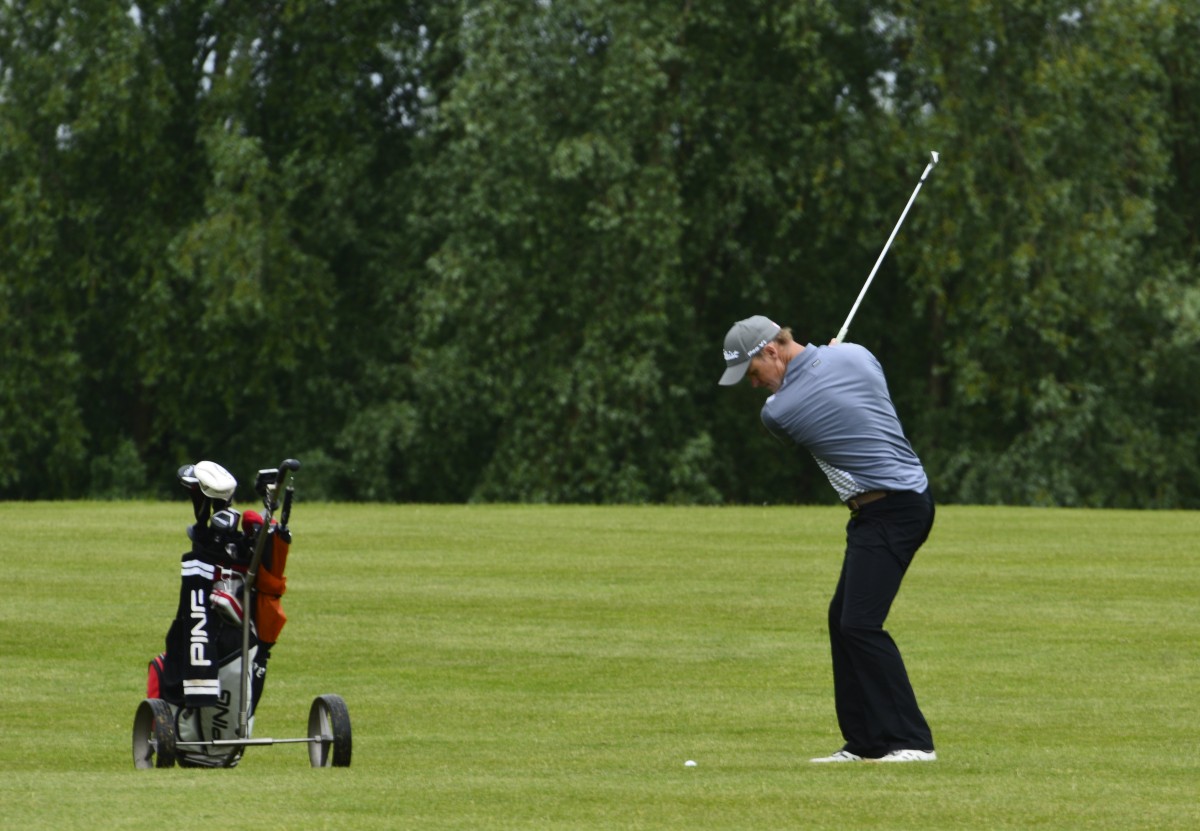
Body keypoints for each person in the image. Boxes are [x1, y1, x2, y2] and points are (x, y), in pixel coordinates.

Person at [718, 315, 937, 763]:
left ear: (771, 352)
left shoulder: (778, 413)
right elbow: (845, 380)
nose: (755, 386)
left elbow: (802, 398)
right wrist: (831, 357)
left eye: (753, 374)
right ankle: (865, 742)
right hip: (895, 505)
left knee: (859, 623)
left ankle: (912, 741)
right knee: (843, 618)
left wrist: (823, 363)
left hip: (891, 511)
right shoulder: (858, 356)